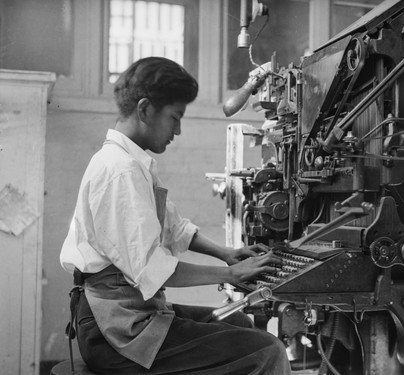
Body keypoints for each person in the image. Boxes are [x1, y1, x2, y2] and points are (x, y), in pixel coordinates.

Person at [60, 56, 291, 375]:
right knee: (268, 351)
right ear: (144, 110)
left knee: (237, 321)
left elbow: (174, 227)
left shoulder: (133, 163)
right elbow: (153, 269)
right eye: (175, 117)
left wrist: (226, 254)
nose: (178, 130)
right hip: (116, 328)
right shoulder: (119, 170)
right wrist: (231, 275)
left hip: (130, 311)